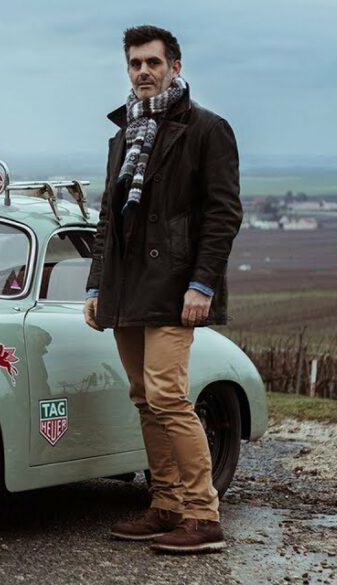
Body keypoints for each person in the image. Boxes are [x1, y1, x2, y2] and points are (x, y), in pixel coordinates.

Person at [84, 25, 242, 554]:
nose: (144, 72)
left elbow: (222, 214)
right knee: (144, 399)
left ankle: (203, 514)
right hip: (127, 287)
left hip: (177, 286)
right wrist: (95, 285)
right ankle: (167, 503)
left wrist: (202, 284)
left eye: (153, 62)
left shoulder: (206, 129)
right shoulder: (124, 133)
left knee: (169, 396)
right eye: (135, 64)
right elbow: (109, 219)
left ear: (174, 65)